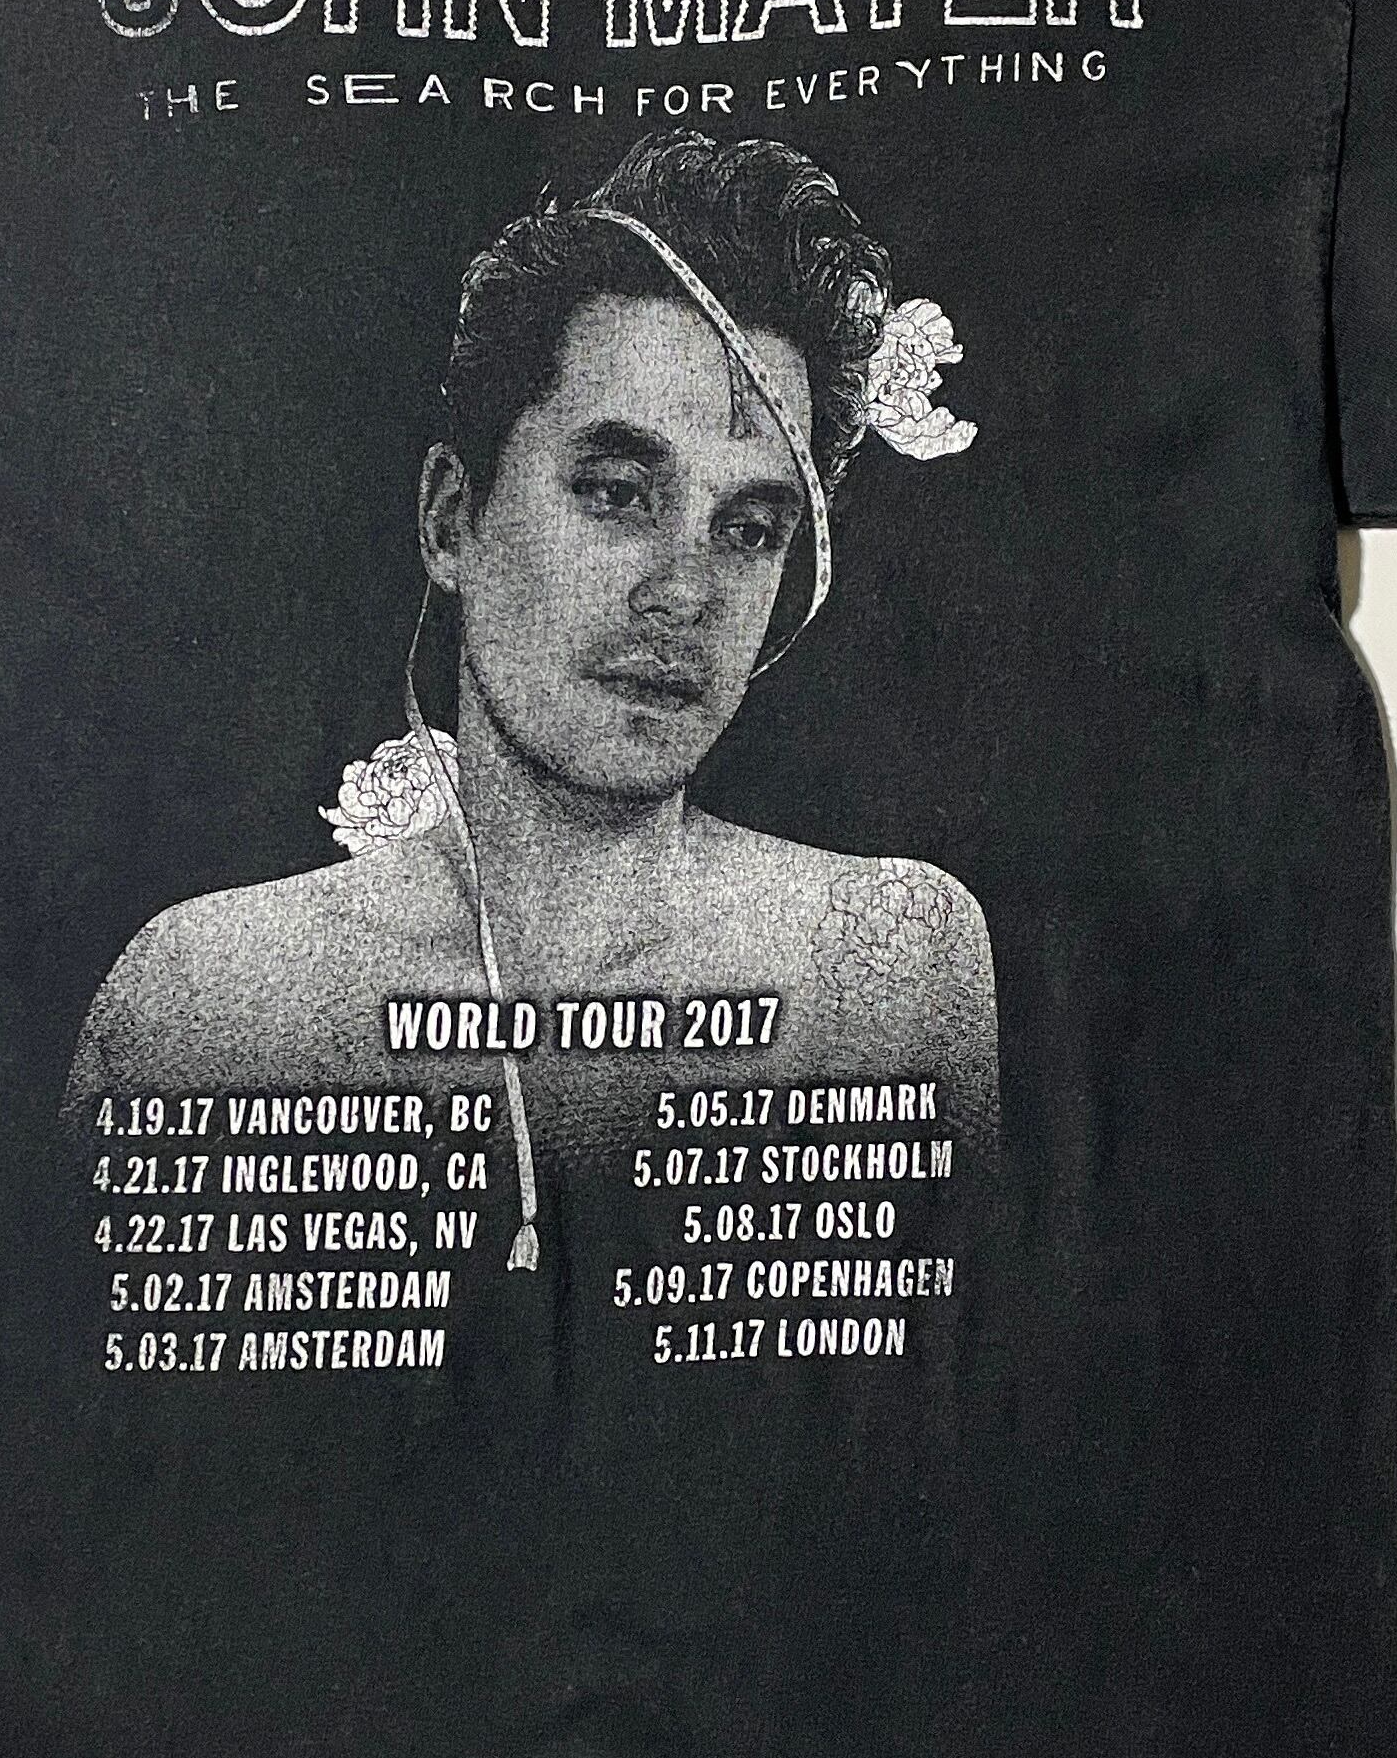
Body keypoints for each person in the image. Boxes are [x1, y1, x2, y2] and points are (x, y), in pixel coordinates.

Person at [59, 129, 1001, 1204]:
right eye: (616, 492)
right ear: (452, 520)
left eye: (748, 530)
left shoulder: (887, 957)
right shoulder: (209, 991)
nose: (684, 593)